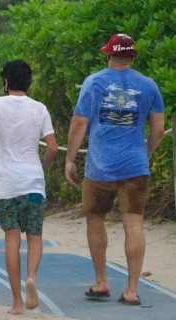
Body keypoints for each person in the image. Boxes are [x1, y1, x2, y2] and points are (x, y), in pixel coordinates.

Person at [64, 33, 165, 306]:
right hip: (135, 166)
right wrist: (145, 153)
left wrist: (70, 160)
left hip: (99, 167)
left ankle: (101, 282)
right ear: (133, 56)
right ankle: (132, 290)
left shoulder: (94, 82)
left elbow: (78, 124)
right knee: (133, 222)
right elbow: (158, 129)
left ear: (108, 55)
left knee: (95, 218)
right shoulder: (149, 85)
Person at [0, 60, 58, 315]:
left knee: (12, 238)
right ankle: (31, 276)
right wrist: (40, 169)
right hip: (32, 181)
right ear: (29, 82)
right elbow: (53, 148)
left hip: (5, 184)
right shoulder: (40, 108)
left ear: (6, 82)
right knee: (34, 235)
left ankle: (17, 303)